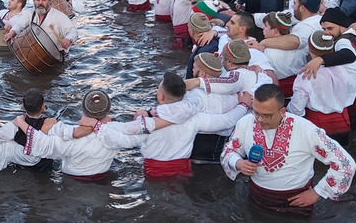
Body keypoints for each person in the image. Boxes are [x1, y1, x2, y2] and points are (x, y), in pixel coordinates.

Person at [220, 84, 356, 216]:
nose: (260, 119)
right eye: (256, 113)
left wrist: (318, 192)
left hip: (296, 203)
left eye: (267, 115)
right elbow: (229, 151)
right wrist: (238, 163)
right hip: (257, 197)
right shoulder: (245, 123)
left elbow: (345, 163)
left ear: (282, 111)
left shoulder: (306, 130)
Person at [96, 74, 251, 177]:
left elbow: (125, 139)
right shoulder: (194, 118)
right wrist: (243, 105)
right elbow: (226, 121)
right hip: (182, 170)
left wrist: (100, 126)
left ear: (161, 96)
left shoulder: (147, 122)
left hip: (154, 171)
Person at [4, 0, 78, 56]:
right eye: (38, 0)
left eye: (44, 0)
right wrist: (12, 33)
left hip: (56, 55)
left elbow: (72, 30)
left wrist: (68, 39)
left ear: (50, 2)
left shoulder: (59, 16)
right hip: (34, 51)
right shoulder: (29, 13)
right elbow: (19, 25)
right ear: (34, 1)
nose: (40, 3)